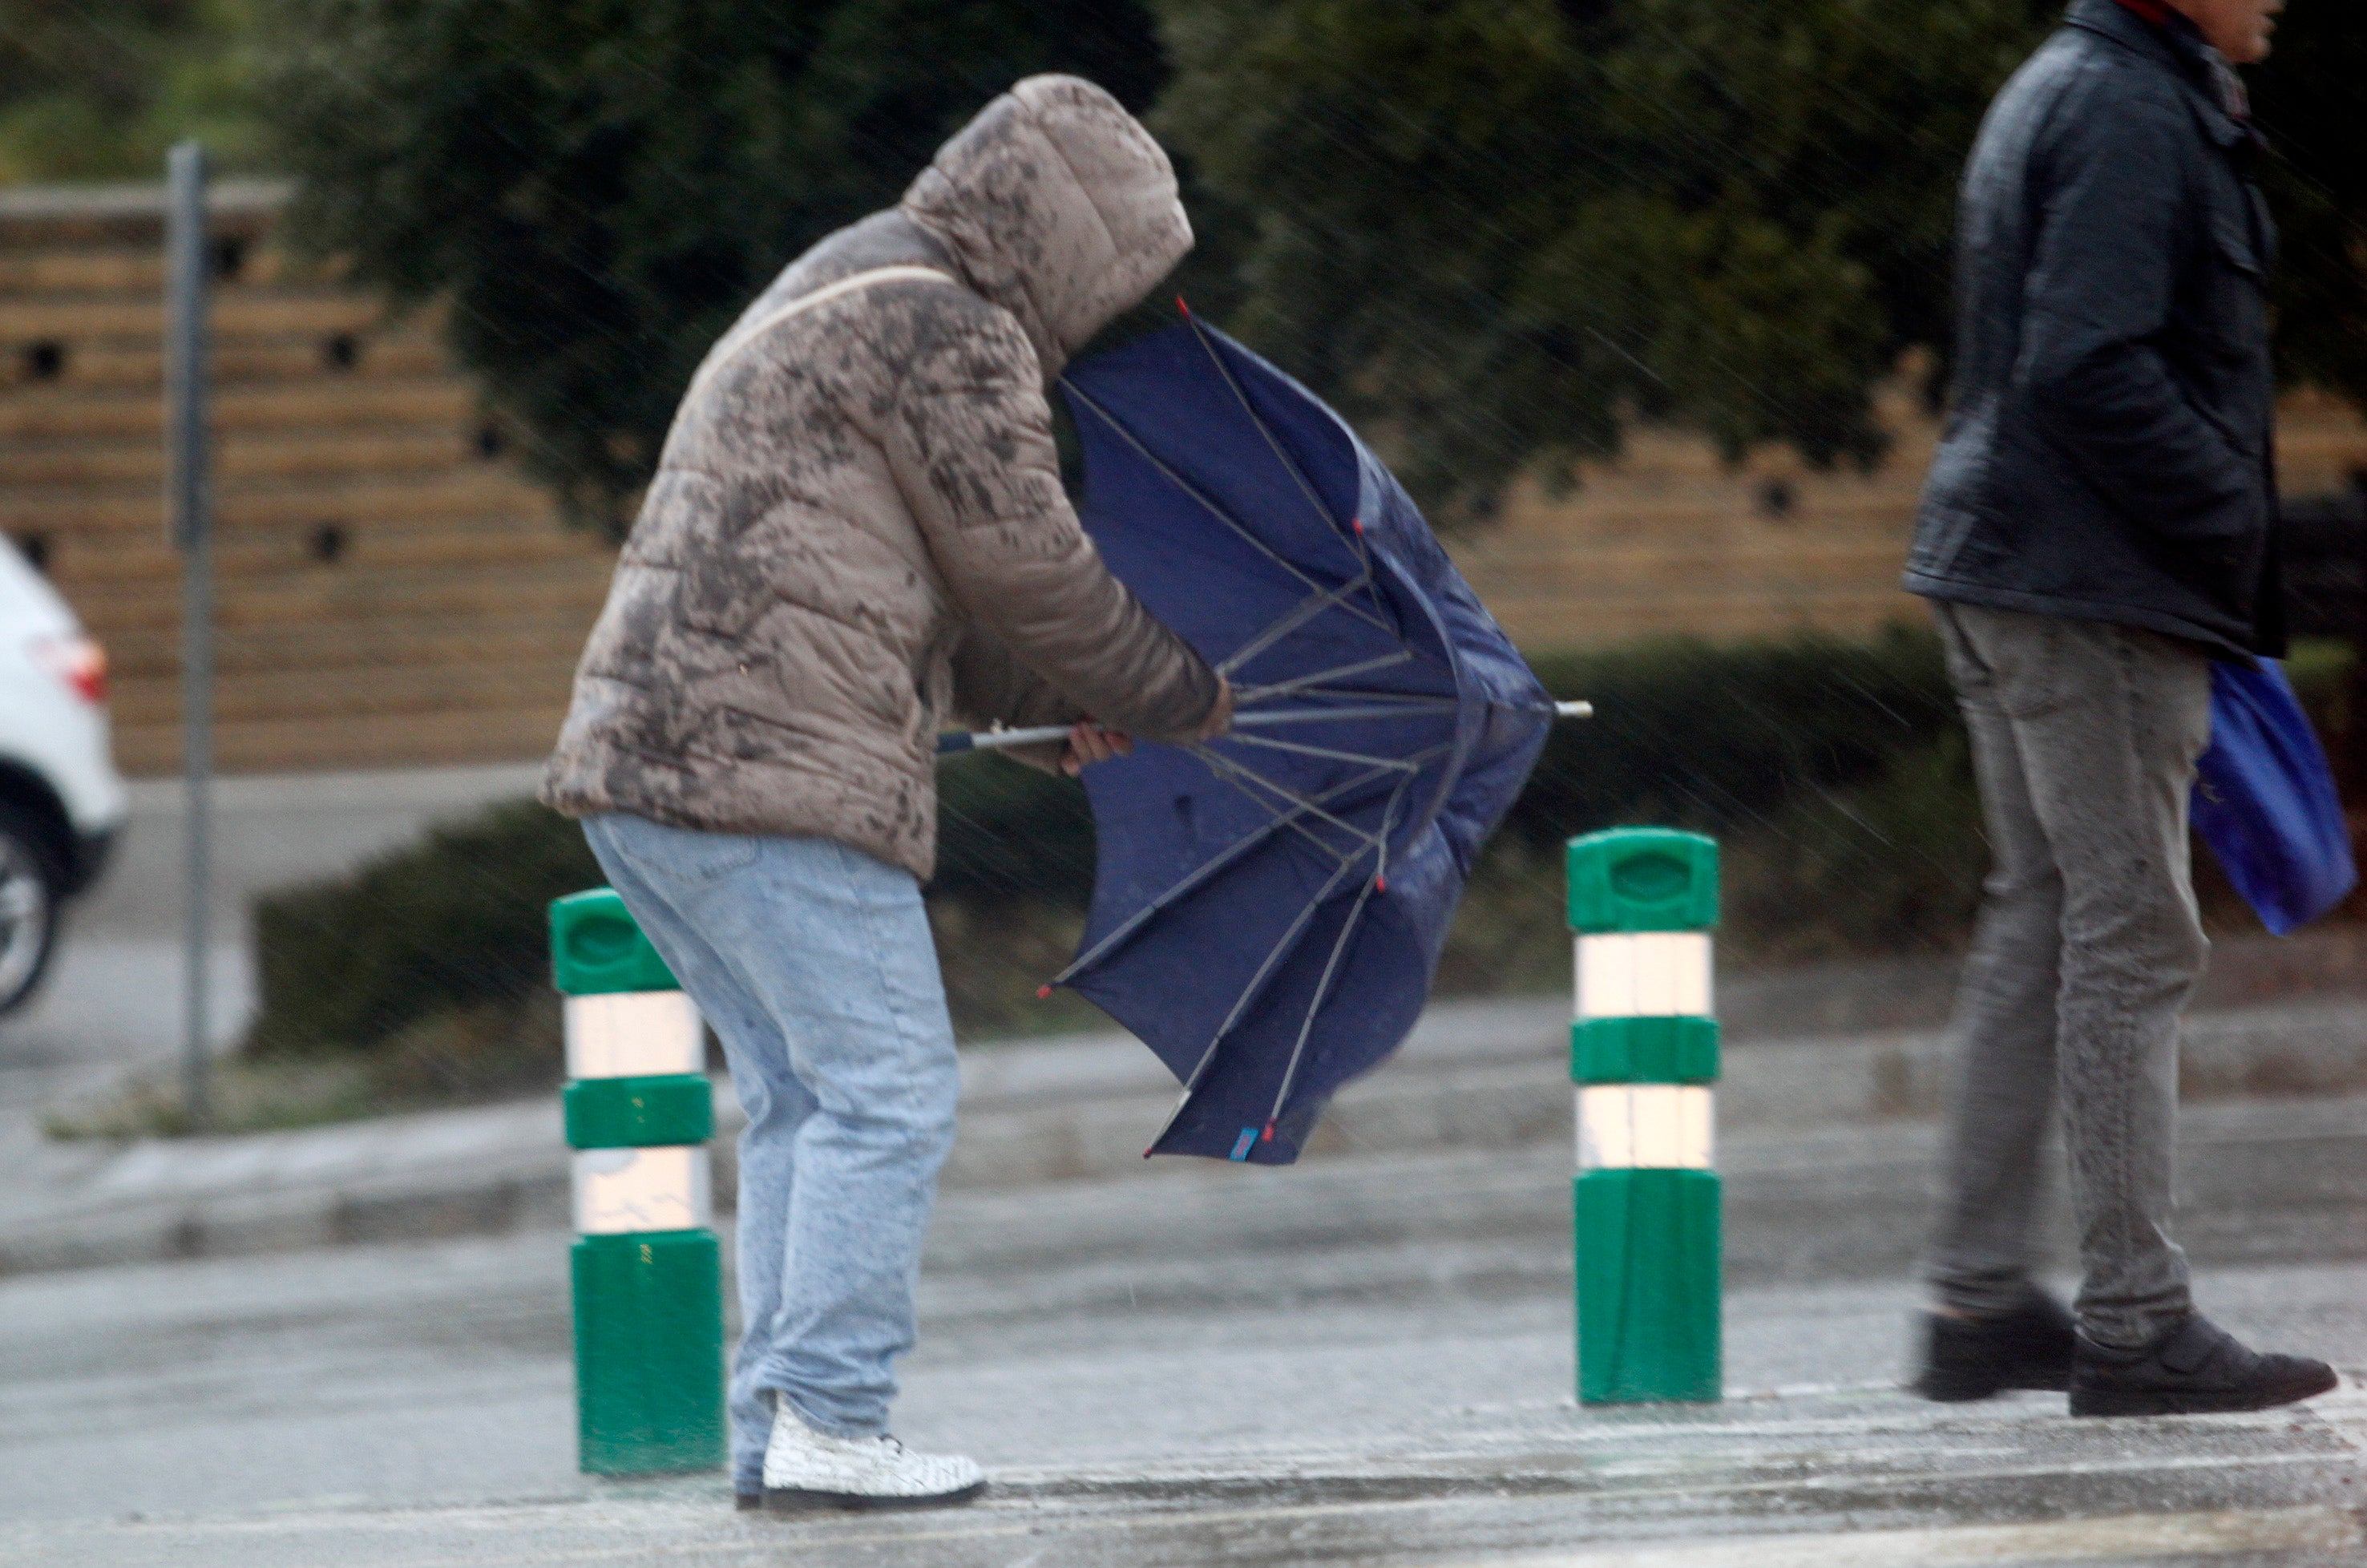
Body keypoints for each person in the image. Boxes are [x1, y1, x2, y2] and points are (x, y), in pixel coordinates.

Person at [541, 75, 1231, 1510]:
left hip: (651, 761)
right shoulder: (951, 331)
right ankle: (832, 1418)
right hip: (758, 771)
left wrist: (1059, 719)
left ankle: (784, 1429)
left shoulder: (848, 278)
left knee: (806, 1099)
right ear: (1067, 239)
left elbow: (938, 598)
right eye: (1116, 280)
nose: (1104, 320)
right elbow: (1028, 569)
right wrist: (1183, 693)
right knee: (890, 1090)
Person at [1902, 0, 2337, 1416]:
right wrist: (2230, 520)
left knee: (2043, 918)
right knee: (2129, 931)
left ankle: (1973, 1302)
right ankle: (2136, 1323)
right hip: (2085, 587)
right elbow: (2087, 362)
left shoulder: (2073, 82)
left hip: (2011, 563)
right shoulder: (2130, 107)